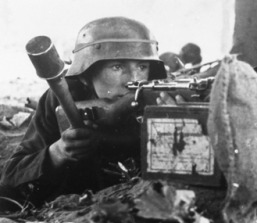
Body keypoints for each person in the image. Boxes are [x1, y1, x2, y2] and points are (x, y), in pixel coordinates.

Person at [0, 16, 168, 212]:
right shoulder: (63, 98)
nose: (132, 80)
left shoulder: (158, 99)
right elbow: (11, 174)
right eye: (117, 67)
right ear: (86, 75)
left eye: (142, 67)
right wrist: (57, 152)